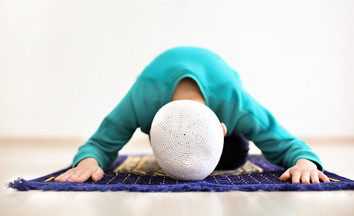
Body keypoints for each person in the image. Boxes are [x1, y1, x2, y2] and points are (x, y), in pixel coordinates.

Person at [55, 46, 330, 184]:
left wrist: (305, 164)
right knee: (231, 156)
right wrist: (88, 162)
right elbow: (100, 144)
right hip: (160, 76)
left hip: (220, 82)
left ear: (224, 127)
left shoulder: (235, 103)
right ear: (151, 128)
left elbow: (288, 145)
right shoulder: (142, 99)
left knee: (234, 156)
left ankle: (227, 148)